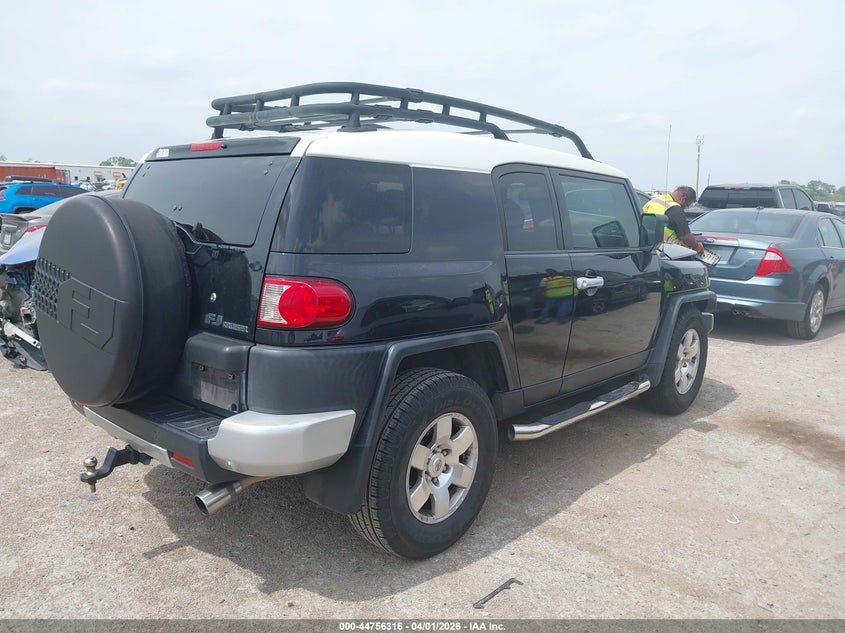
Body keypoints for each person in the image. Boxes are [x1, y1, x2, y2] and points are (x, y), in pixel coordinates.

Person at [642, 186, 704, 254]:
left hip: (646, 247)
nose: (685, 207)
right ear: (683, 198)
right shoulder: (675, 209)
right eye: (687, 205)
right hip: (667, 251)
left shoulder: (654, 201)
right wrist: (697, 246)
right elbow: (685, 236)